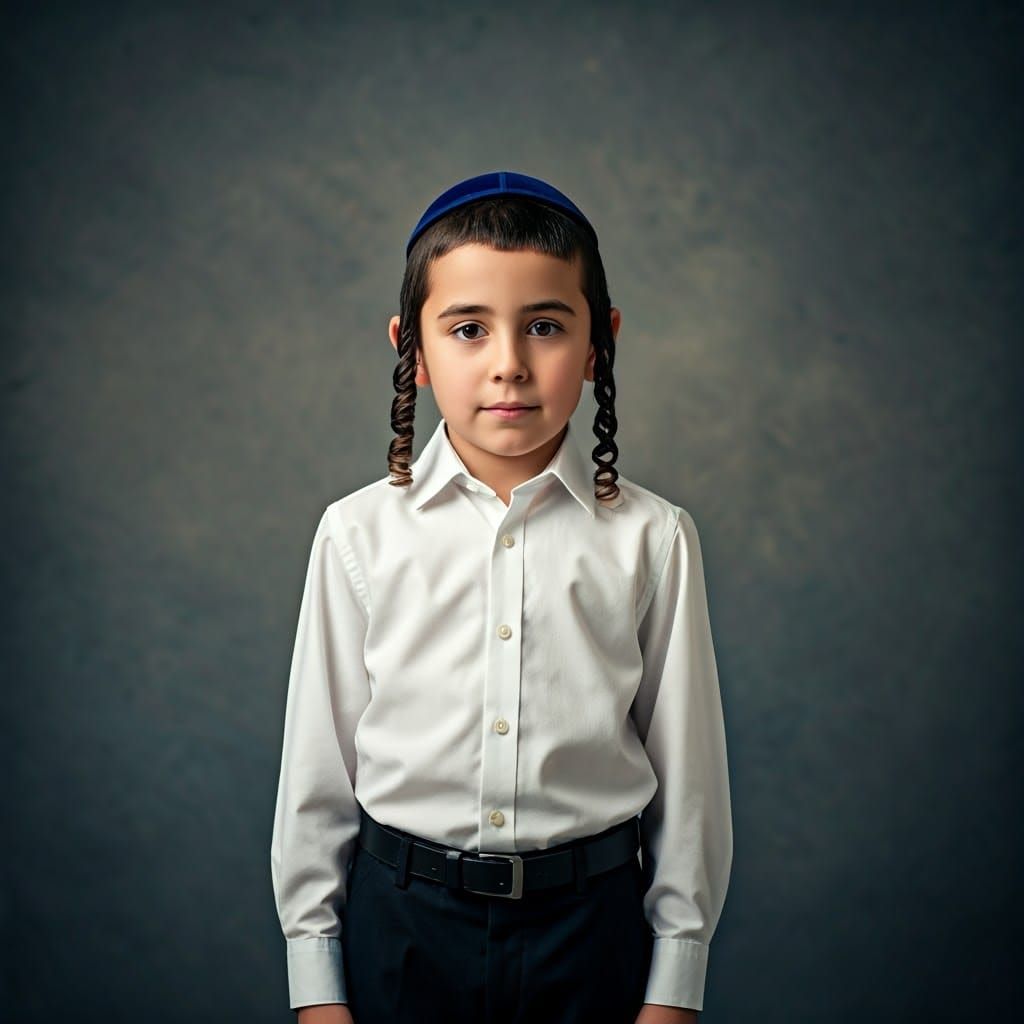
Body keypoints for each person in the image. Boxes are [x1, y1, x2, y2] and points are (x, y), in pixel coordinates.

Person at [270, 170, 733, 1024]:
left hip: (591, 932)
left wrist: (675, 980)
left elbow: (690, 779)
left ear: (601, 343)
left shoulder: (652, 538)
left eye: (546, 326)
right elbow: (318, 770)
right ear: (412, 348)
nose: (510, 365)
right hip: (401, 927)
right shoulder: (356, 535)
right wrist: (316, 982)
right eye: (469, 329)